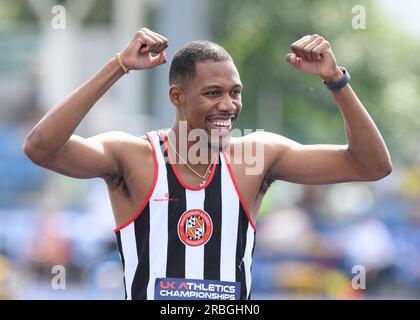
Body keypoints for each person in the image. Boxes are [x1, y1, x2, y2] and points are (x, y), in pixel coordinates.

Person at [23, 27, 392, 300]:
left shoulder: (257, 157)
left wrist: (335, 80)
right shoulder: (133, 156)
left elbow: (371, 166)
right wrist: (118, 66)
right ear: (177, 96)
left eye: (235, 93)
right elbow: (41, 147)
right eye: (213, 93)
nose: (229, 106)